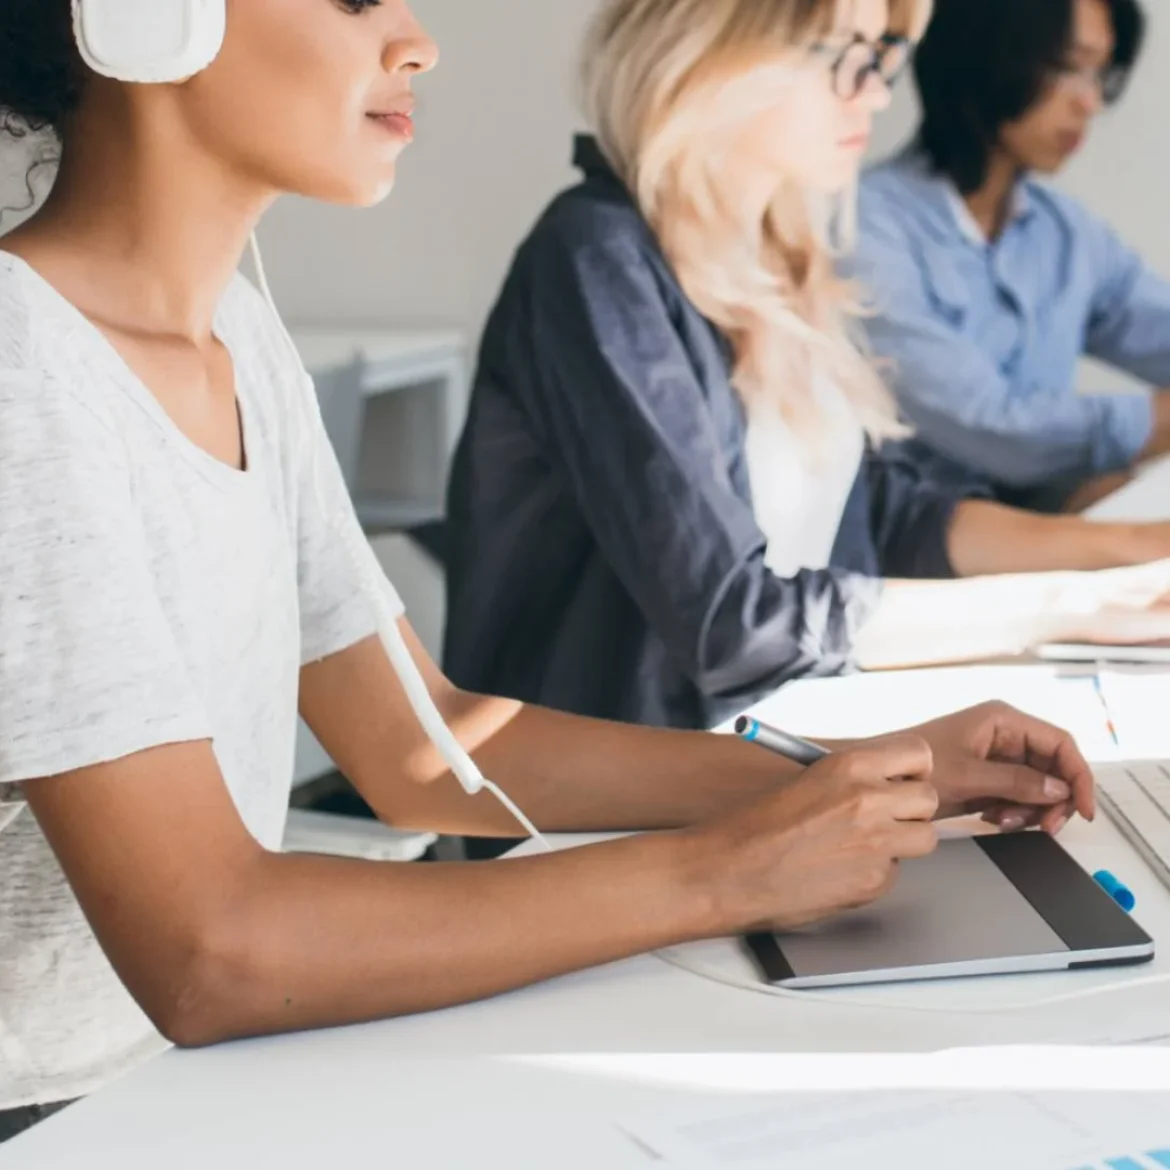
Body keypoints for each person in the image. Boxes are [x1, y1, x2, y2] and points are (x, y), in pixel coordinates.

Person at [0, 0, 1104, 1140]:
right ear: (146, 18)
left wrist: (861, 773)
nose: (417, 41)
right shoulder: (26, 377)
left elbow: (426, 745)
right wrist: (724, 873)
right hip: (60, 1118)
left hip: (190, 1082)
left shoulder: (235, 335)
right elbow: (209, 950)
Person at [444, 0, 1170, 734]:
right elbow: (732, 620)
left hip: (771, 738)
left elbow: (883, 518)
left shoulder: (777, 258)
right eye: (845, 58)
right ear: (716, 56)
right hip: (611, 802)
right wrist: (1064, 606)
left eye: (879, 59)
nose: (878, 92)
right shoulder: (598, 260)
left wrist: (1133, 559)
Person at [852, 0, 1170, 512]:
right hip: (917, 549)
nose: (1089, 102)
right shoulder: (866, 225)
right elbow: (995, 429)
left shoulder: (1066, 233)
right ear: (989, 56)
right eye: (1067, 66)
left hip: (1047, 529)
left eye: (1099, 74)